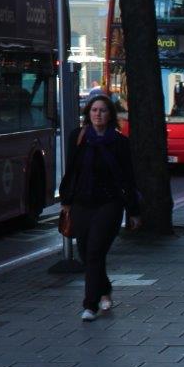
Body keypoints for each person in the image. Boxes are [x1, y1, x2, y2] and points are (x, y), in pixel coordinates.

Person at [59, 92, 142, 321]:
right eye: (94, 110)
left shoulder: (119, 142)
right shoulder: (78, 137)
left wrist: (134, 211)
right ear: (88, 114)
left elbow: (128, 178)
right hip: (81, 204)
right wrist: (66, 201)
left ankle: (90, 305)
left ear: (110, 115)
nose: (98, 114)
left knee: (95, 250)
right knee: (86, 253)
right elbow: (72, 171)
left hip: (109, 203)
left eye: (103, 110)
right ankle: (104, 288)